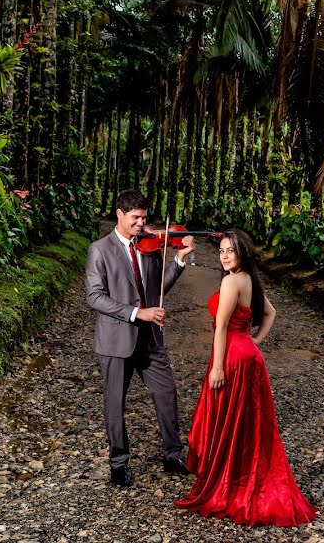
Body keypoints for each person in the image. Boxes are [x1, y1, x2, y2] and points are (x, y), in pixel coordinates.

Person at [175, 229, 317, 527]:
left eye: (230, 251)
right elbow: (270, 313)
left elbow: (222, 327)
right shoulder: (251, 280)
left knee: (229, 419)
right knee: (247, 422)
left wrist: (217, 368)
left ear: (243, 254)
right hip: (248, 356)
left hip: (232, 358)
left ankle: (229, 481)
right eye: (222, 251)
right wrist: (255, 343)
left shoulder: (230, 281)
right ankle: (241, 474)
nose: (224, 256)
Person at [85, 189, 195, 487]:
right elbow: (95, 297)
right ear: (119, 215)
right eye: (135, 218)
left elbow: (159, 289)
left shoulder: (149, 248)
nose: (141, 224)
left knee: (166, 393)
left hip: (150, 339)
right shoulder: (100, 249)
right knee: (114, 402)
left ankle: (173, 455)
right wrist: (137, 313)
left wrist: (180, 261)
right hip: (115, 341)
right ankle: (118, 463)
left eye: (144, 218)